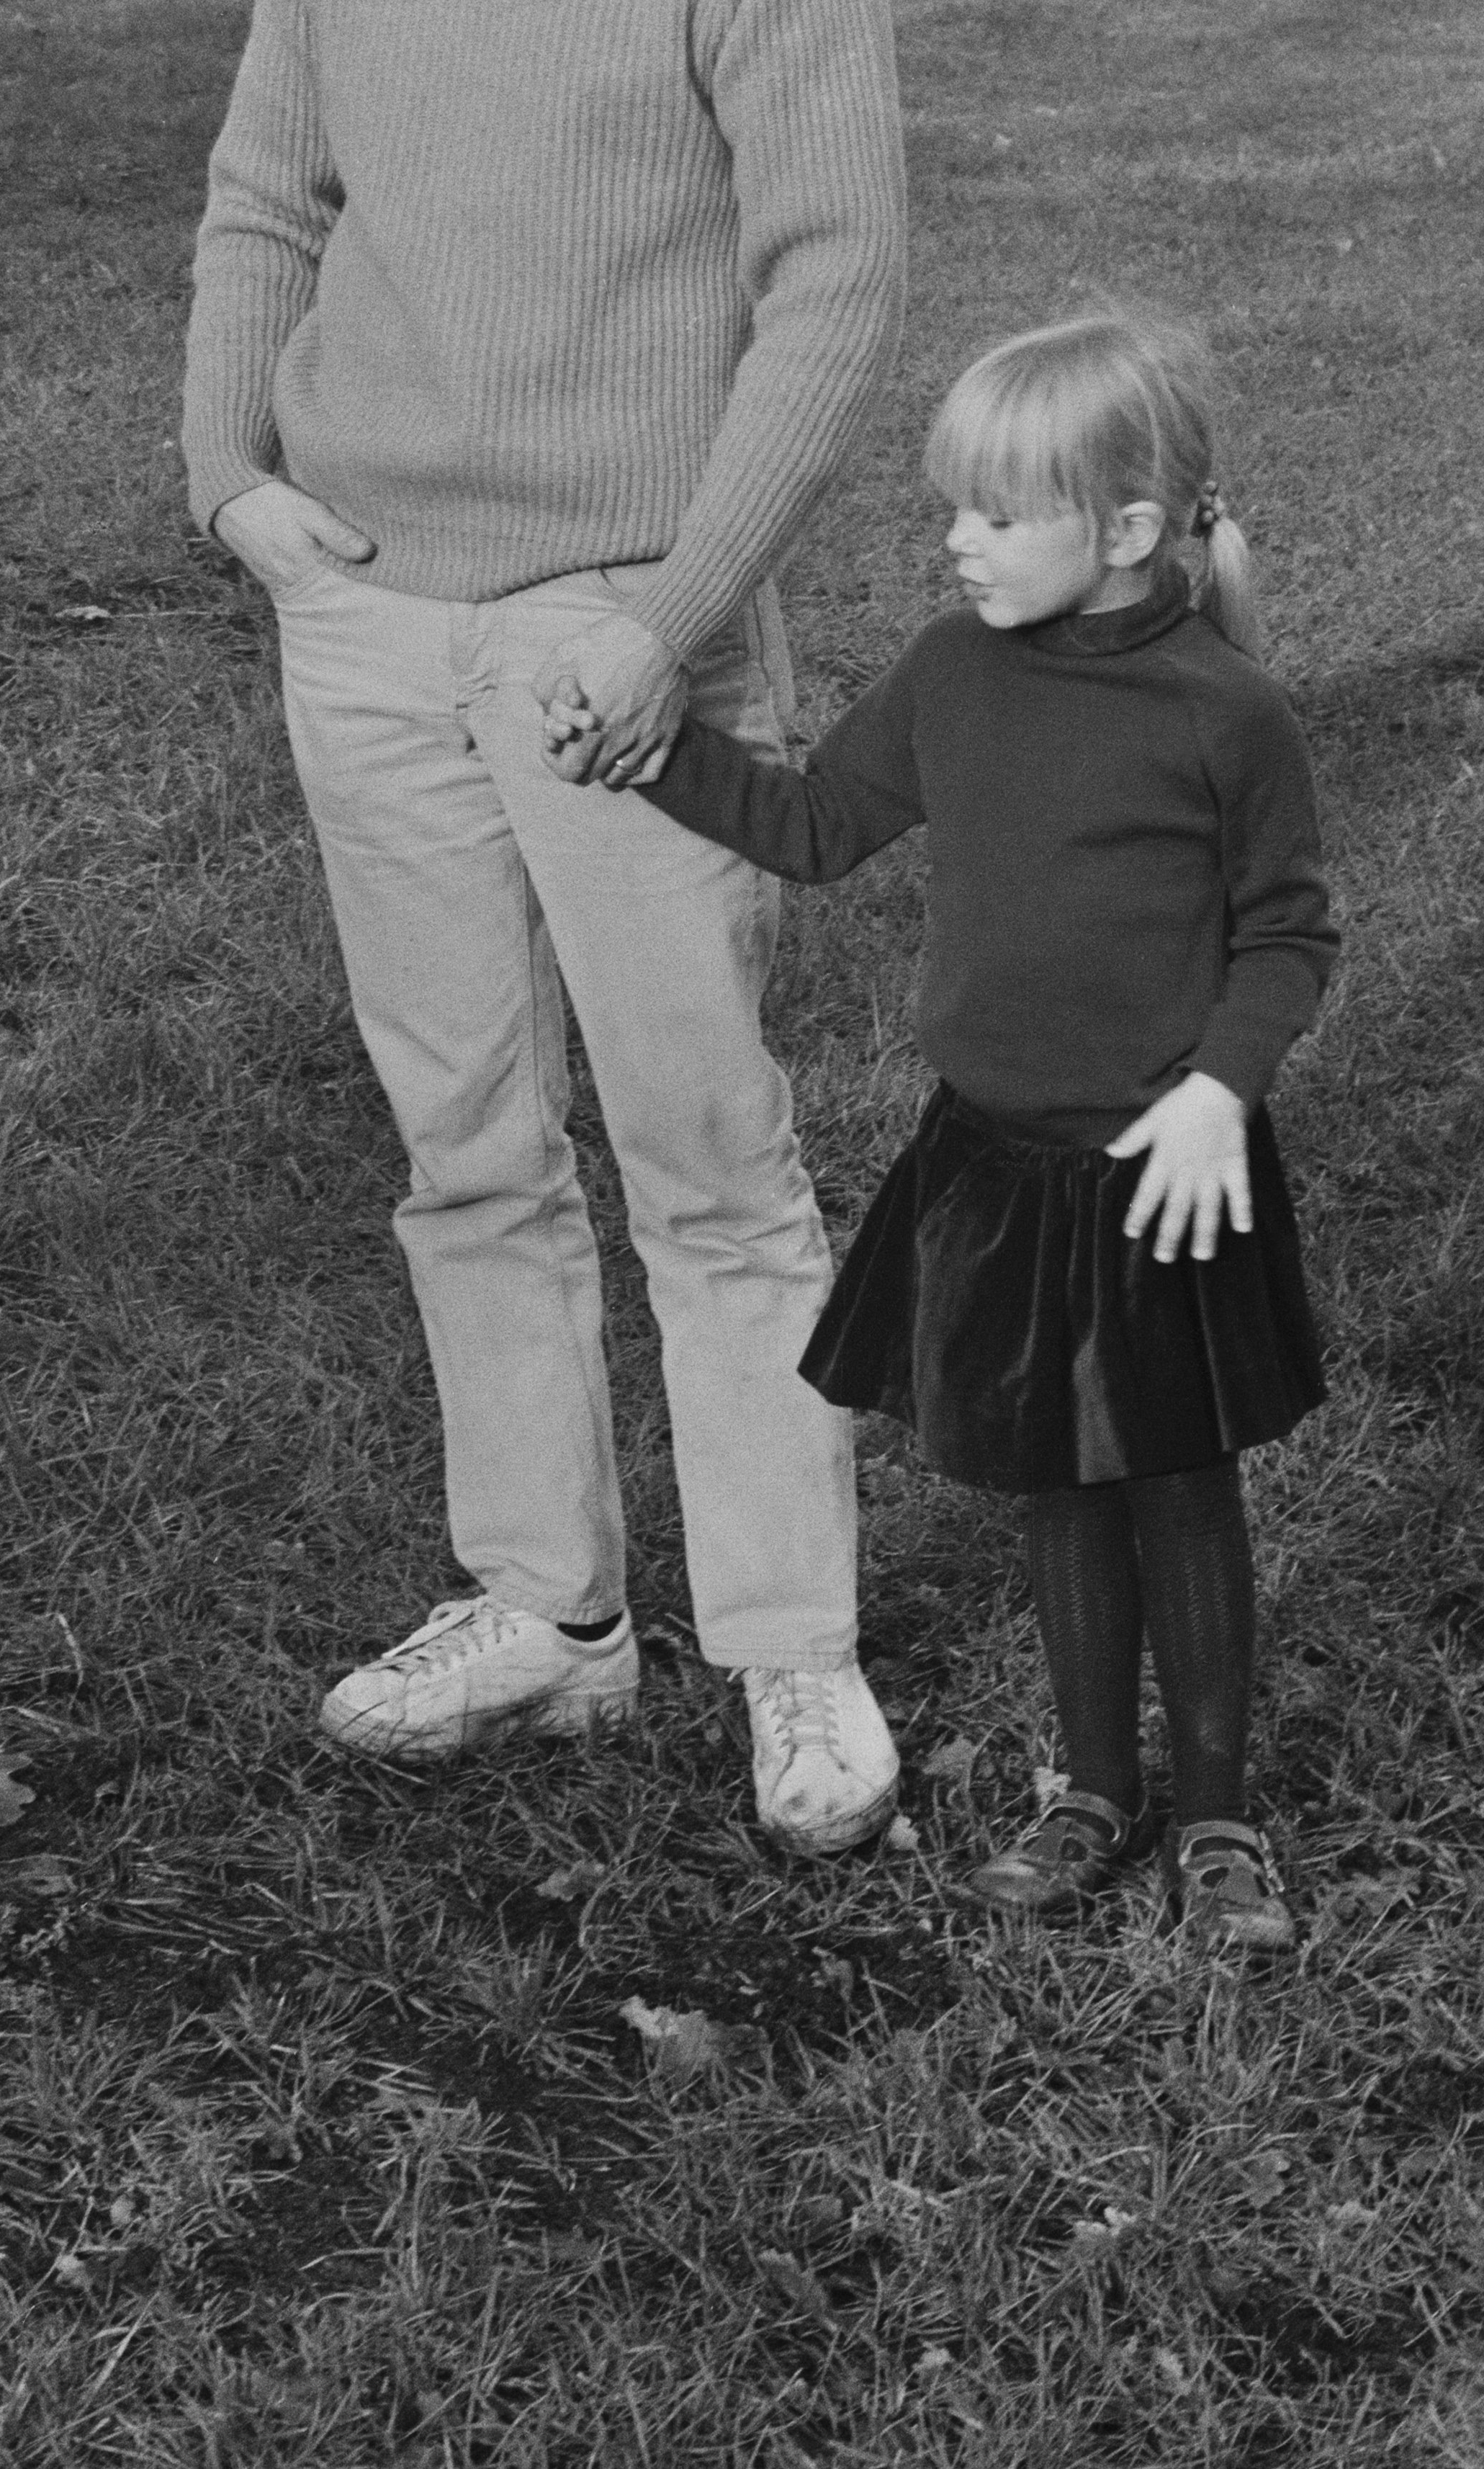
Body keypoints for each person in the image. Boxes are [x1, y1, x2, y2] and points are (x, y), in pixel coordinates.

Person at [181, 0, 908, 1855]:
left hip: (630, 641)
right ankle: (548, 1610)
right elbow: (260, 198)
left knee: (709, 1160)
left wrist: (674, 612)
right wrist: (236, 484)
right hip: (369, 616)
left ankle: (789, 1649)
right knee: (464, 1145)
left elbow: (831, 288)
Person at [580, 311, 1336, 1948]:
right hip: (992, 1162)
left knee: (1177, 1485)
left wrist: (1217, 1087)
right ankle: (1090, 1791)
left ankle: (1213, 1815)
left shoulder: (1224, 712)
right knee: (1058, 1482)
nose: (955, 539)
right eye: (954, 505)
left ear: (1127, 531)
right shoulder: (949, 671)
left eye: (998, 513)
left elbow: (1287, 933)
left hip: (1161, 1173)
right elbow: (809, 824)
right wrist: (650, 752)